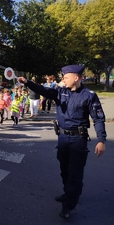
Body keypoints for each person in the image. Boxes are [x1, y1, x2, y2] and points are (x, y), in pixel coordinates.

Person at [17, 65, 107, 219]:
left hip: (78, 140)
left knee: (74, 174)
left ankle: (68, 206)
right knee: (64, 170)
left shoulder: (89, 95)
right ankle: (69, 193)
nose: (62, 79)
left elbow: (98, 118)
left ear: (76, 78)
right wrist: (27, 83)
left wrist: (101, 140)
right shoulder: (60, 92)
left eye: (65, 77)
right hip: (63, 138)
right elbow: (43, 90)